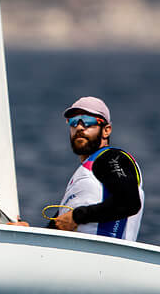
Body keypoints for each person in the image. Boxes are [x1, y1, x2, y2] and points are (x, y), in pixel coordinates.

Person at [52, 96, 144, 240]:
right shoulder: (83, 178)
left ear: (106, 130)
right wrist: (26, 233)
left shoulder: (111, 158)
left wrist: (77, 216)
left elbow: (129, 202)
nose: (80, 127)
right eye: (73, 122)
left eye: (88, 122)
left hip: (105, 256)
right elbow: (58, 227)